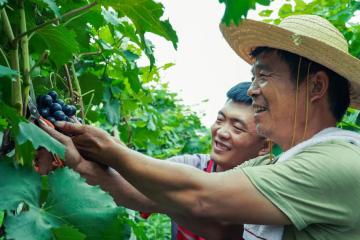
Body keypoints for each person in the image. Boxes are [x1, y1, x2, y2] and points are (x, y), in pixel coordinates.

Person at [41, 15, 360, 239]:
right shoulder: (269, 164)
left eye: (264, 76)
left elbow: (200, 197)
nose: (253, 90)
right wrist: (79, 161)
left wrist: (110, 150)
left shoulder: (339, 163)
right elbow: (216, 225)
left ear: (316, 86)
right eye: (252, 78)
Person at [39, 82, 269, 239]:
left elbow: (222, 230)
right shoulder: (190, 165)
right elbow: (133, 184)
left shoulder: (266, 186)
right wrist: (83, 158)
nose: (222, 132)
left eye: (237, 128)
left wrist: (101, 155)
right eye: (220, 119)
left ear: (264, 147)